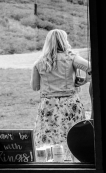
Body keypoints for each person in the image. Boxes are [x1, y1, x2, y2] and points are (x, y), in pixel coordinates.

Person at [31, 29, 90, 161]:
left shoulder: (40, 62)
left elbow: (35, 87)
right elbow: (91, 68)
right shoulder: (71, 57)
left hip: (48, 104)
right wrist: (80, 81)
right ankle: (73, 161)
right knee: (72, 134)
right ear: (64, 41)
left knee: (48, 136)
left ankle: (50, 163)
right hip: (70, 103)